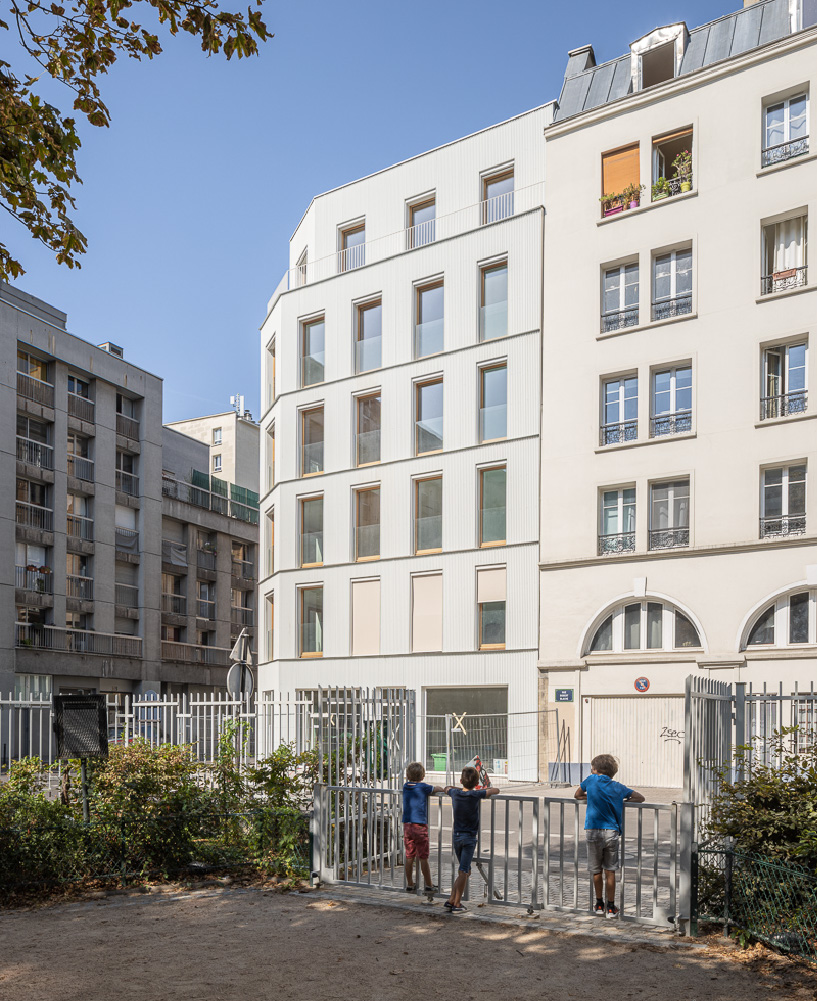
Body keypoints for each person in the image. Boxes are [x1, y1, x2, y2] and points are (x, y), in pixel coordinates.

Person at [574, 753, 644, 918]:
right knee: (610, 870)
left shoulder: (590, 780)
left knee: (596, 870)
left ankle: (599, 904)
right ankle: (611, 907)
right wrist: (621, 801)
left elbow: (577, 795)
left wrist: (590, 796)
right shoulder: (619, 787)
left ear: (595, 769)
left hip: (592, 830)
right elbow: (640, 798)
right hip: (611, 832)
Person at [443, 765, 501, 913]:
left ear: (461, 780)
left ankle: (451, 900)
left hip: (456, 837)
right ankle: (456, 903)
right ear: (476, 783)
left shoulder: (455, 793)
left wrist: (459, 786)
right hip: (469, 838)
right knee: (464, 871)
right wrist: (479, 789)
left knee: (464, 871)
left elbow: (446, 788)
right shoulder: (476, 794)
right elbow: (495, 790)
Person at [402, 762, 445, 894]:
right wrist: (442, 788)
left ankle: (409, 884)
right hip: (419, 825)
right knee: (423, 856)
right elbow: (436, 788)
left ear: (408, 775)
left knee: (409, 856)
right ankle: (429, 884)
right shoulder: (423, 787)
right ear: (422, 776)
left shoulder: (405, 786)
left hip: (407, 825)